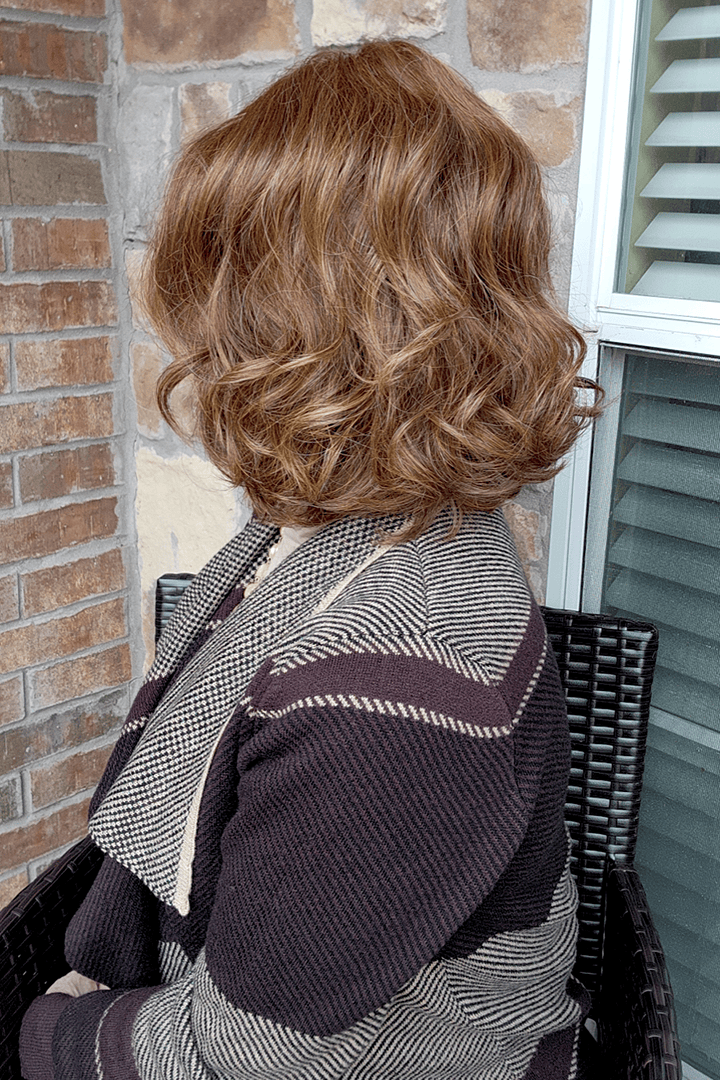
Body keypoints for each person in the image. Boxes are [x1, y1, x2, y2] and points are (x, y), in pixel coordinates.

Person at [20, 39, 600, 1080]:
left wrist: (54, 1035)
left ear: (290, 322)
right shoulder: (359, 526)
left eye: (217, 287)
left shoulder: (390, 682)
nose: (195, 341)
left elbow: (252, 1055)